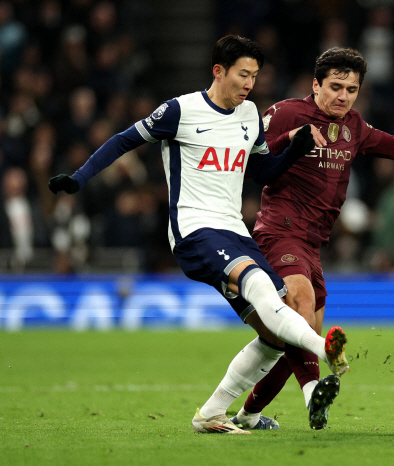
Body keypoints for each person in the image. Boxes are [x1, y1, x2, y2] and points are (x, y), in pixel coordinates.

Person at [47, 35, 349, 435]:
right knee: (262, 287)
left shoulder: (250, 115)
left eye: (255, 77)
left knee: (272, 334)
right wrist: (80, 178)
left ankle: (211, 414)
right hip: (194, 230)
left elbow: (262, 173)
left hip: (234, 232)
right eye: (243, 74)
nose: (249, 84)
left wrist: (292, 152)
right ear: (218, 71)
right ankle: (322, 347)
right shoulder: (179, 111)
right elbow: (124, 141)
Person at [232, 47, 394, 430]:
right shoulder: (286, 112)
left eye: (351, 90)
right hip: (279, 230)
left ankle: (248, 415)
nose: (343, 96)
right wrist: (289, 137)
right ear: (315, 84)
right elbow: (251, 162)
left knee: (295, 339)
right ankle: (313, 395)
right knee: (301, 309)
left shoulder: (354, 126)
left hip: (312, 243)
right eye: (335, 87)